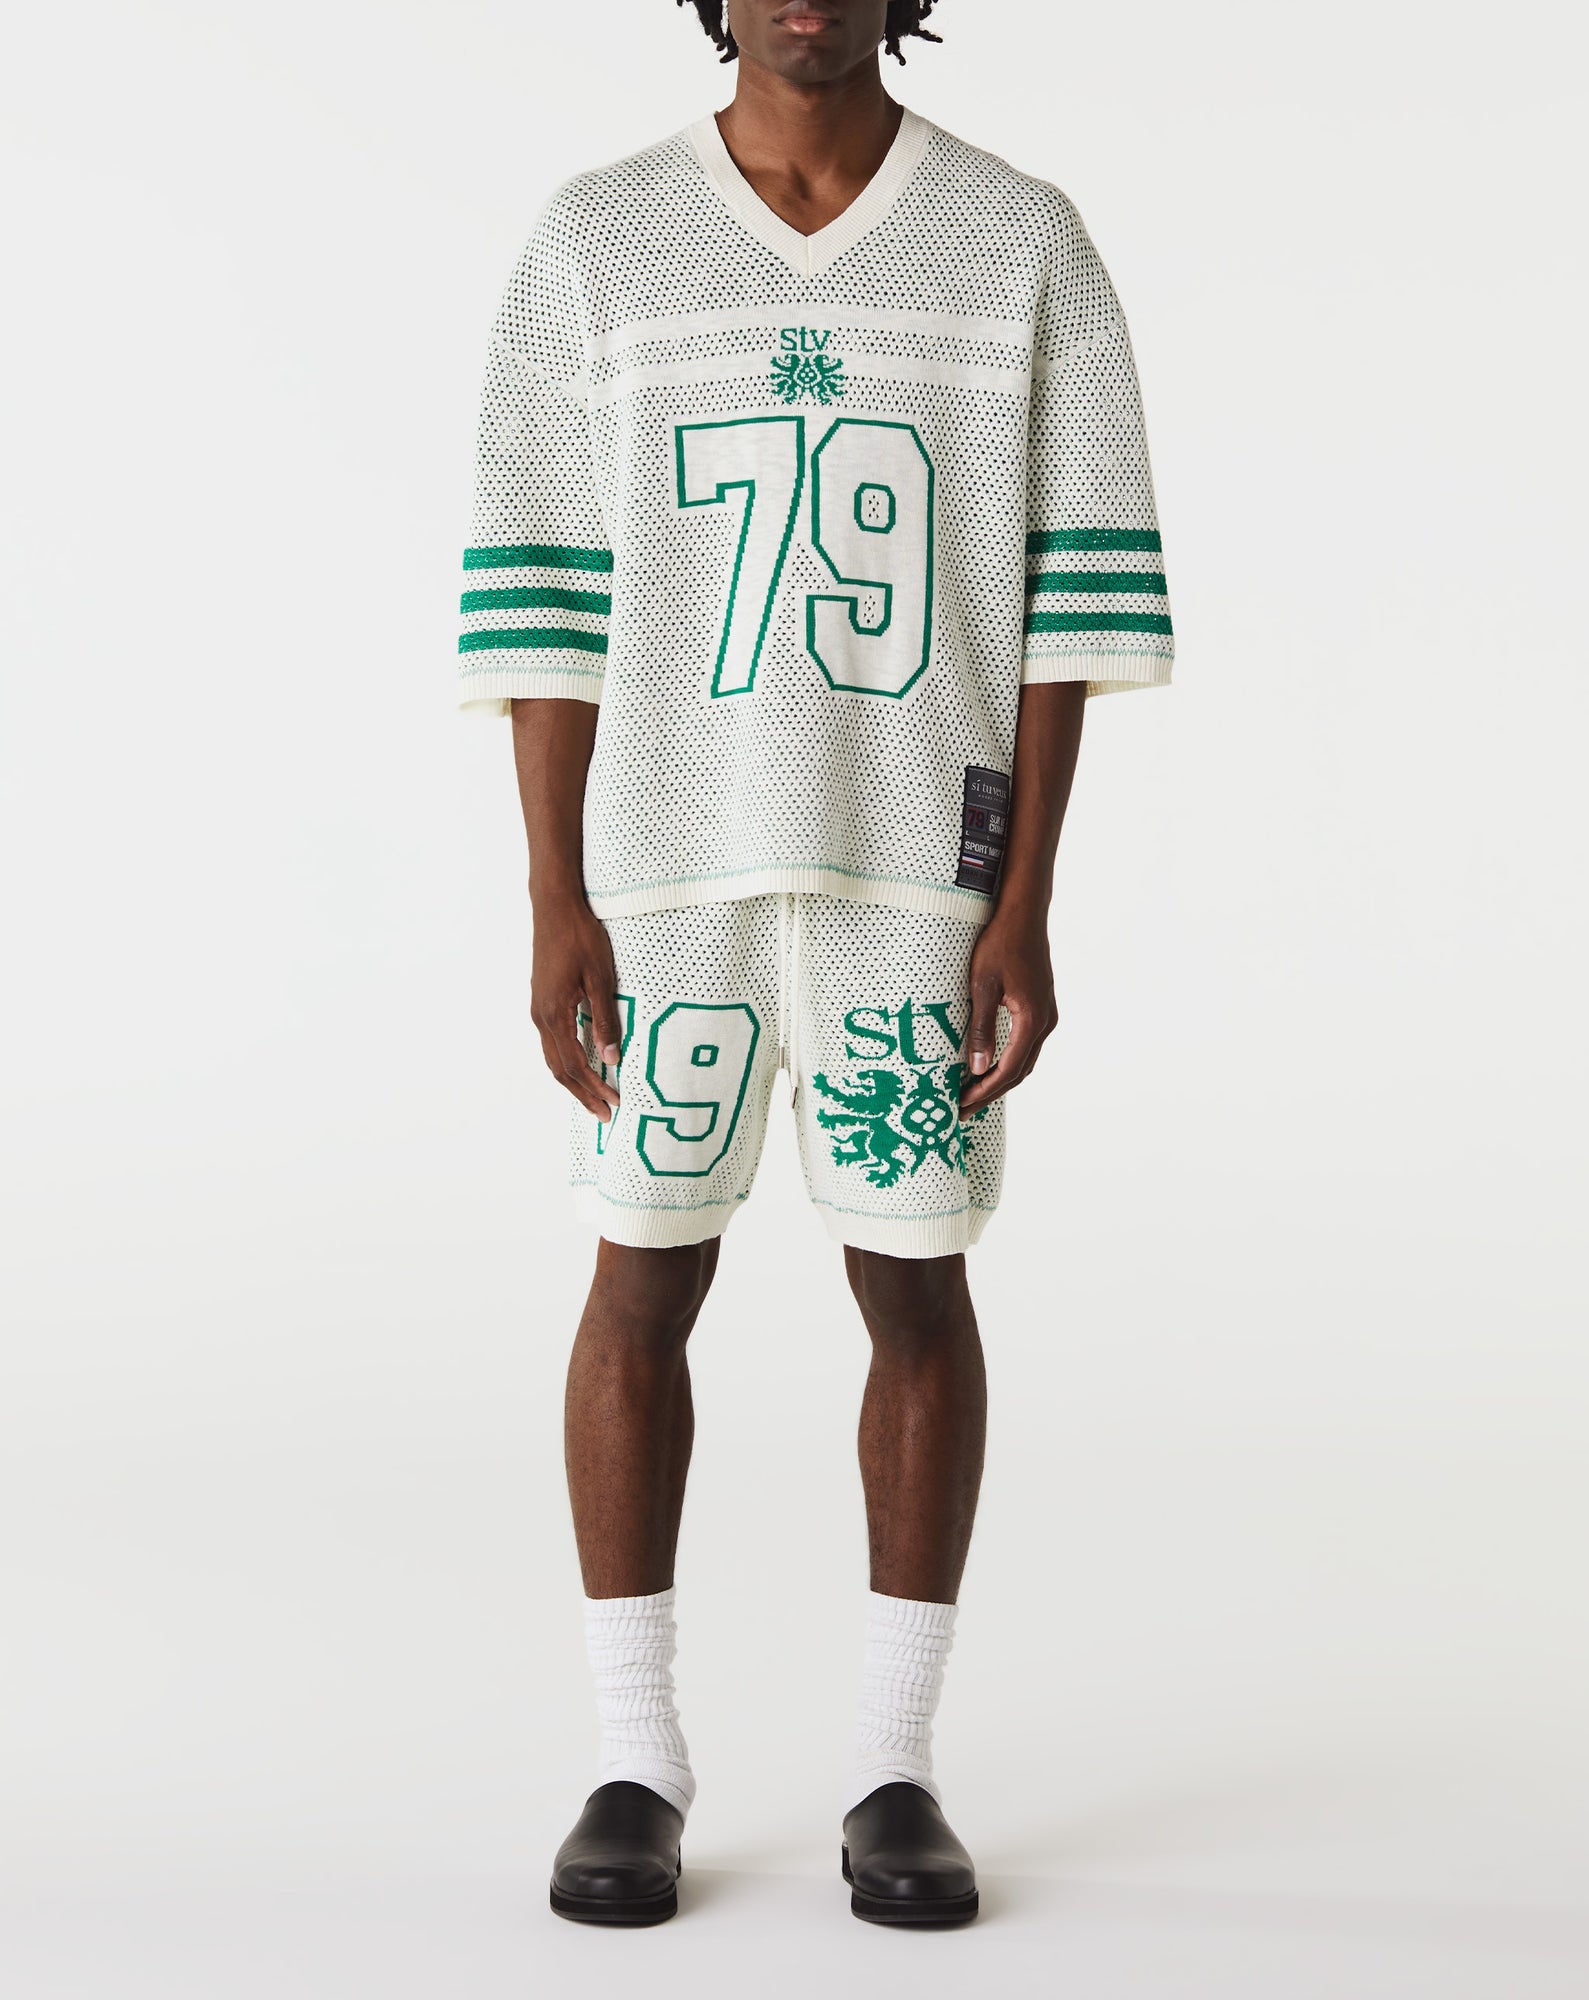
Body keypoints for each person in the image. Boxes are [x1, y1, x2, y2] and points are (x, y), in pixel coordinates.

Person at [458, 0, 1172, 1928]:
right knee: (638, 1278)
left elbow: (1068, 592)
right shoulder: (598, 236)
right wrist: (554, 894)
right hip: (667, 870)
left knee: (916, 1284)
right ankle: (634, 1757)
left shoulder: (1018, 238)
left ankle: (892, 1766)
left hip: (912, 874)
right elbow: (544, 590)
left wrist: (1020, 897)